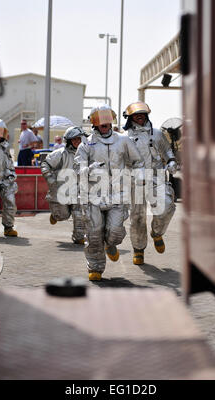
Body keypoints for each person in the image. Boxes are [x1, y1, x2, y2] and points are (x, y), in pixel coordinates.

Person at [74, 105, 144, 281]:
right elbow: (77, 168)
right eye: (100, 119)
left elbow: (137, 162)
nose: (105, 123)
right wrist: (89, 169)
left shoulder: (123, 141)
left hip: (118, 194)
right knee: (94, 234)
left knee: (115, 232)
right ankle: (95, 267)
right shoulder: (86, 144)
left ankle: (111, 245)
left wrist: (140, 176)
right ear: (94, 123)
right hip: (93, 195)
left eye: (107, 119)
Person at [123, 101, 177, 265]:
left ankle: (157, 232)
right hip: (134, 180)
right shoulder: (124, 138)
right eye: (136, 115)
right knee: (138, 217)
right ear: (130, 118)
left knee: (167, 207)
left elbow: (167, 150)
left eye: (142, 114)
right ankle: (138, 250)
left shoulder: (157, 134)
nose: (140, 117)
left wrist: (171, 161)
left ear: (147, 116)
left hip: (156, 177)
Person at [41, 126, 86, 244]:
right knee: (63, 215)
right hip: (62, 190)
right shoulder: (60, 154)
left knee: (79, 214)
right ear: (69, 141)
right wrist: (50, 178)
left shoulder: (87, 154)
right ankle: (55, 215)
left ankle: (79, 237)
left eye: (79, 139)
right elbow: (45, 164)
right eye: (74, 139)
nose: (77, 141)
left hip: (79, 191)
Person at [0, 119, 18, 237]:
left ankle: (8, 227)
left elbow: (9, 163)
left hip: (4, 179)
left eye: (1, 132)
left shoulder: (5, 146)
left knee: (10, 202)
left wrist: (10, 174)